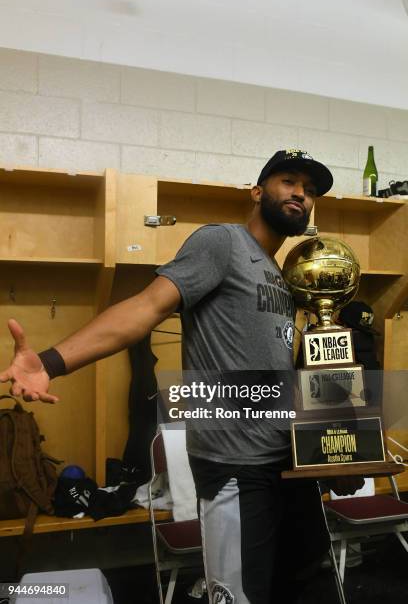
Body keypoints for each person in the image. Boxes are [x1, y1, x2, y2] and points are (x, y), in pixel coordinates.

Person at [0, 149, 361, 604]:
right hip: (236, 467)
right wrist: (51, 362)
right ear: (257, 190)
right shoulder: (222, 243)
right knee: (240, 597)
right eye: (289, 181)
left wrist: (335, 453)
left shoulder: (282, 277)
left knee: (303, 587)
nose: (301, 195)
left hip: (284, 463)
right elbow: (146, 308)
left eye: (309, 191)